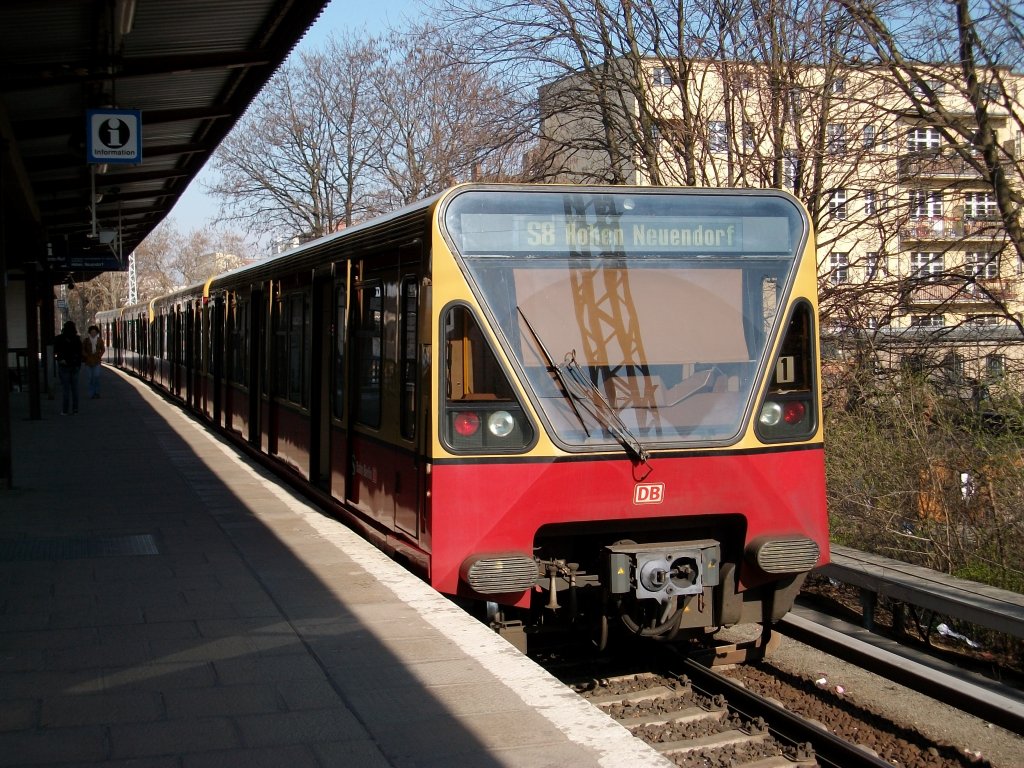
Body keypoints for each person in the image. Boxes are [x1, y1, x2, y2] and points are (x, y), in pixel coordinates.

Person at [54, 321, 83, 415]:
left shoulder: (59, 338)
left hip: (64, 366)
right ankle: (75, 409)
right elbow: (80, 353)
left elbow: (55, 351)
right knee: (75, 389)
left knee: (65, 389)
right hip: (75, 366)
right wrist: (78, 364)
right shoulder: (77, 339)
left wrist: (60, 359)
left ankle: (65, 410)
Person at [82, 324, 105, 399]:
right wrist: (86, 355)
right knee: (90, 378)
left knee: (96, 377)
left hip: (97, 361)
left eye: (94, 332)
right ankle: (91, 393)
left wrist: (100, 355)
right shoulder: (86, 340)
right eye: (92, 332)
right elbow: (82, 350)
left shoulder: (100, 340)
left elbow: (103, 349)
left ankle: (97, 392)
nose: (93, 333)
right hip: (88, 362)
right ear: (89, 333)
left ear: (97, 333)